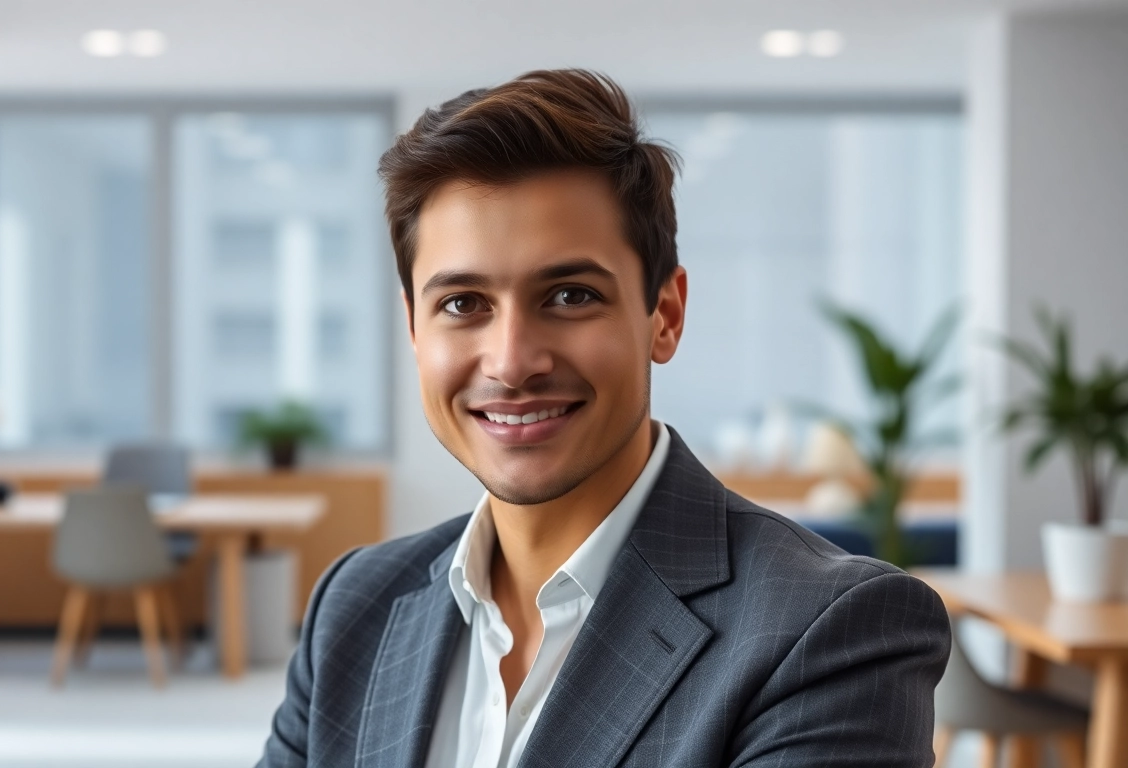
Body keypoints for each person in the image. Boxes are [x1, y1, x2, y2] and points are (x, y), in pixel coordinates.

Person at [258, 69, 950, 768]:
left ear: (665, 316)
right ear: (413, 328)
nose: (512, 361)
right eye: (464, 304)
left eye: (568, 295)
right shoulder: (354, 607)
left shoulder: (828, 631)